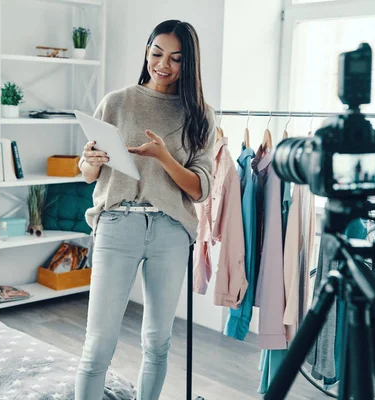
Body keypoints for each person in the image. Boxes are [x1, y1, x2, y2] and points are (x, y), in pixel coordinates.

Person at [74, 19, 216, 400]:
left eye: (175, 58)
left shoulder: (200, 114)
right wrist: (90, 158)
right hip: (118, 223)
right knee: (99, 342)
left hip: (170, 230)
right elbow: (88, 175)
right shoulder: (117, 102)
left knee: (157, 341)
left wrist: (164, 158)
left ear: (190, 64)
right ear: (147, 52)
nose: (163, 65)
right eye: (156, 53)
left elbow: (201, 189)